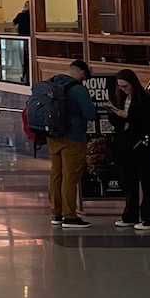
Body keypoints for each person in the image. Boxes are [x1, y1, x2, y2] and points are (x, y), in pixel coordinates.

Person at [47, 59, 98, 229]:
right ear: (82, 73)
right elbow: (90, 114)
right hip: (73, 138)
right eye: (85, 77)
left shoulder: (51, 82)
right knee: (70, 177)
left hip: (53, 136)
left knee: (56, 175)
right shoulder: (78, 89)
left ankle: (56, 213)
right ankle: (70, 216)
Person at [109, 68, 150, 230]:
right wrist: (114, 113)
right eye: (120, 87)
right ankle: (130, 215)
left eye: (126, 86)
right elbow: (117, 123)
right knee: (128, 182)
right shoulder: (120, 98)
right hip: (125, 144)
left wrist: (127, 116)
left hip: (144, 145)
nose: (123, 90)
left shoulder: (146, 99)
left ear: (133, 84)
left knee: (146, 181)